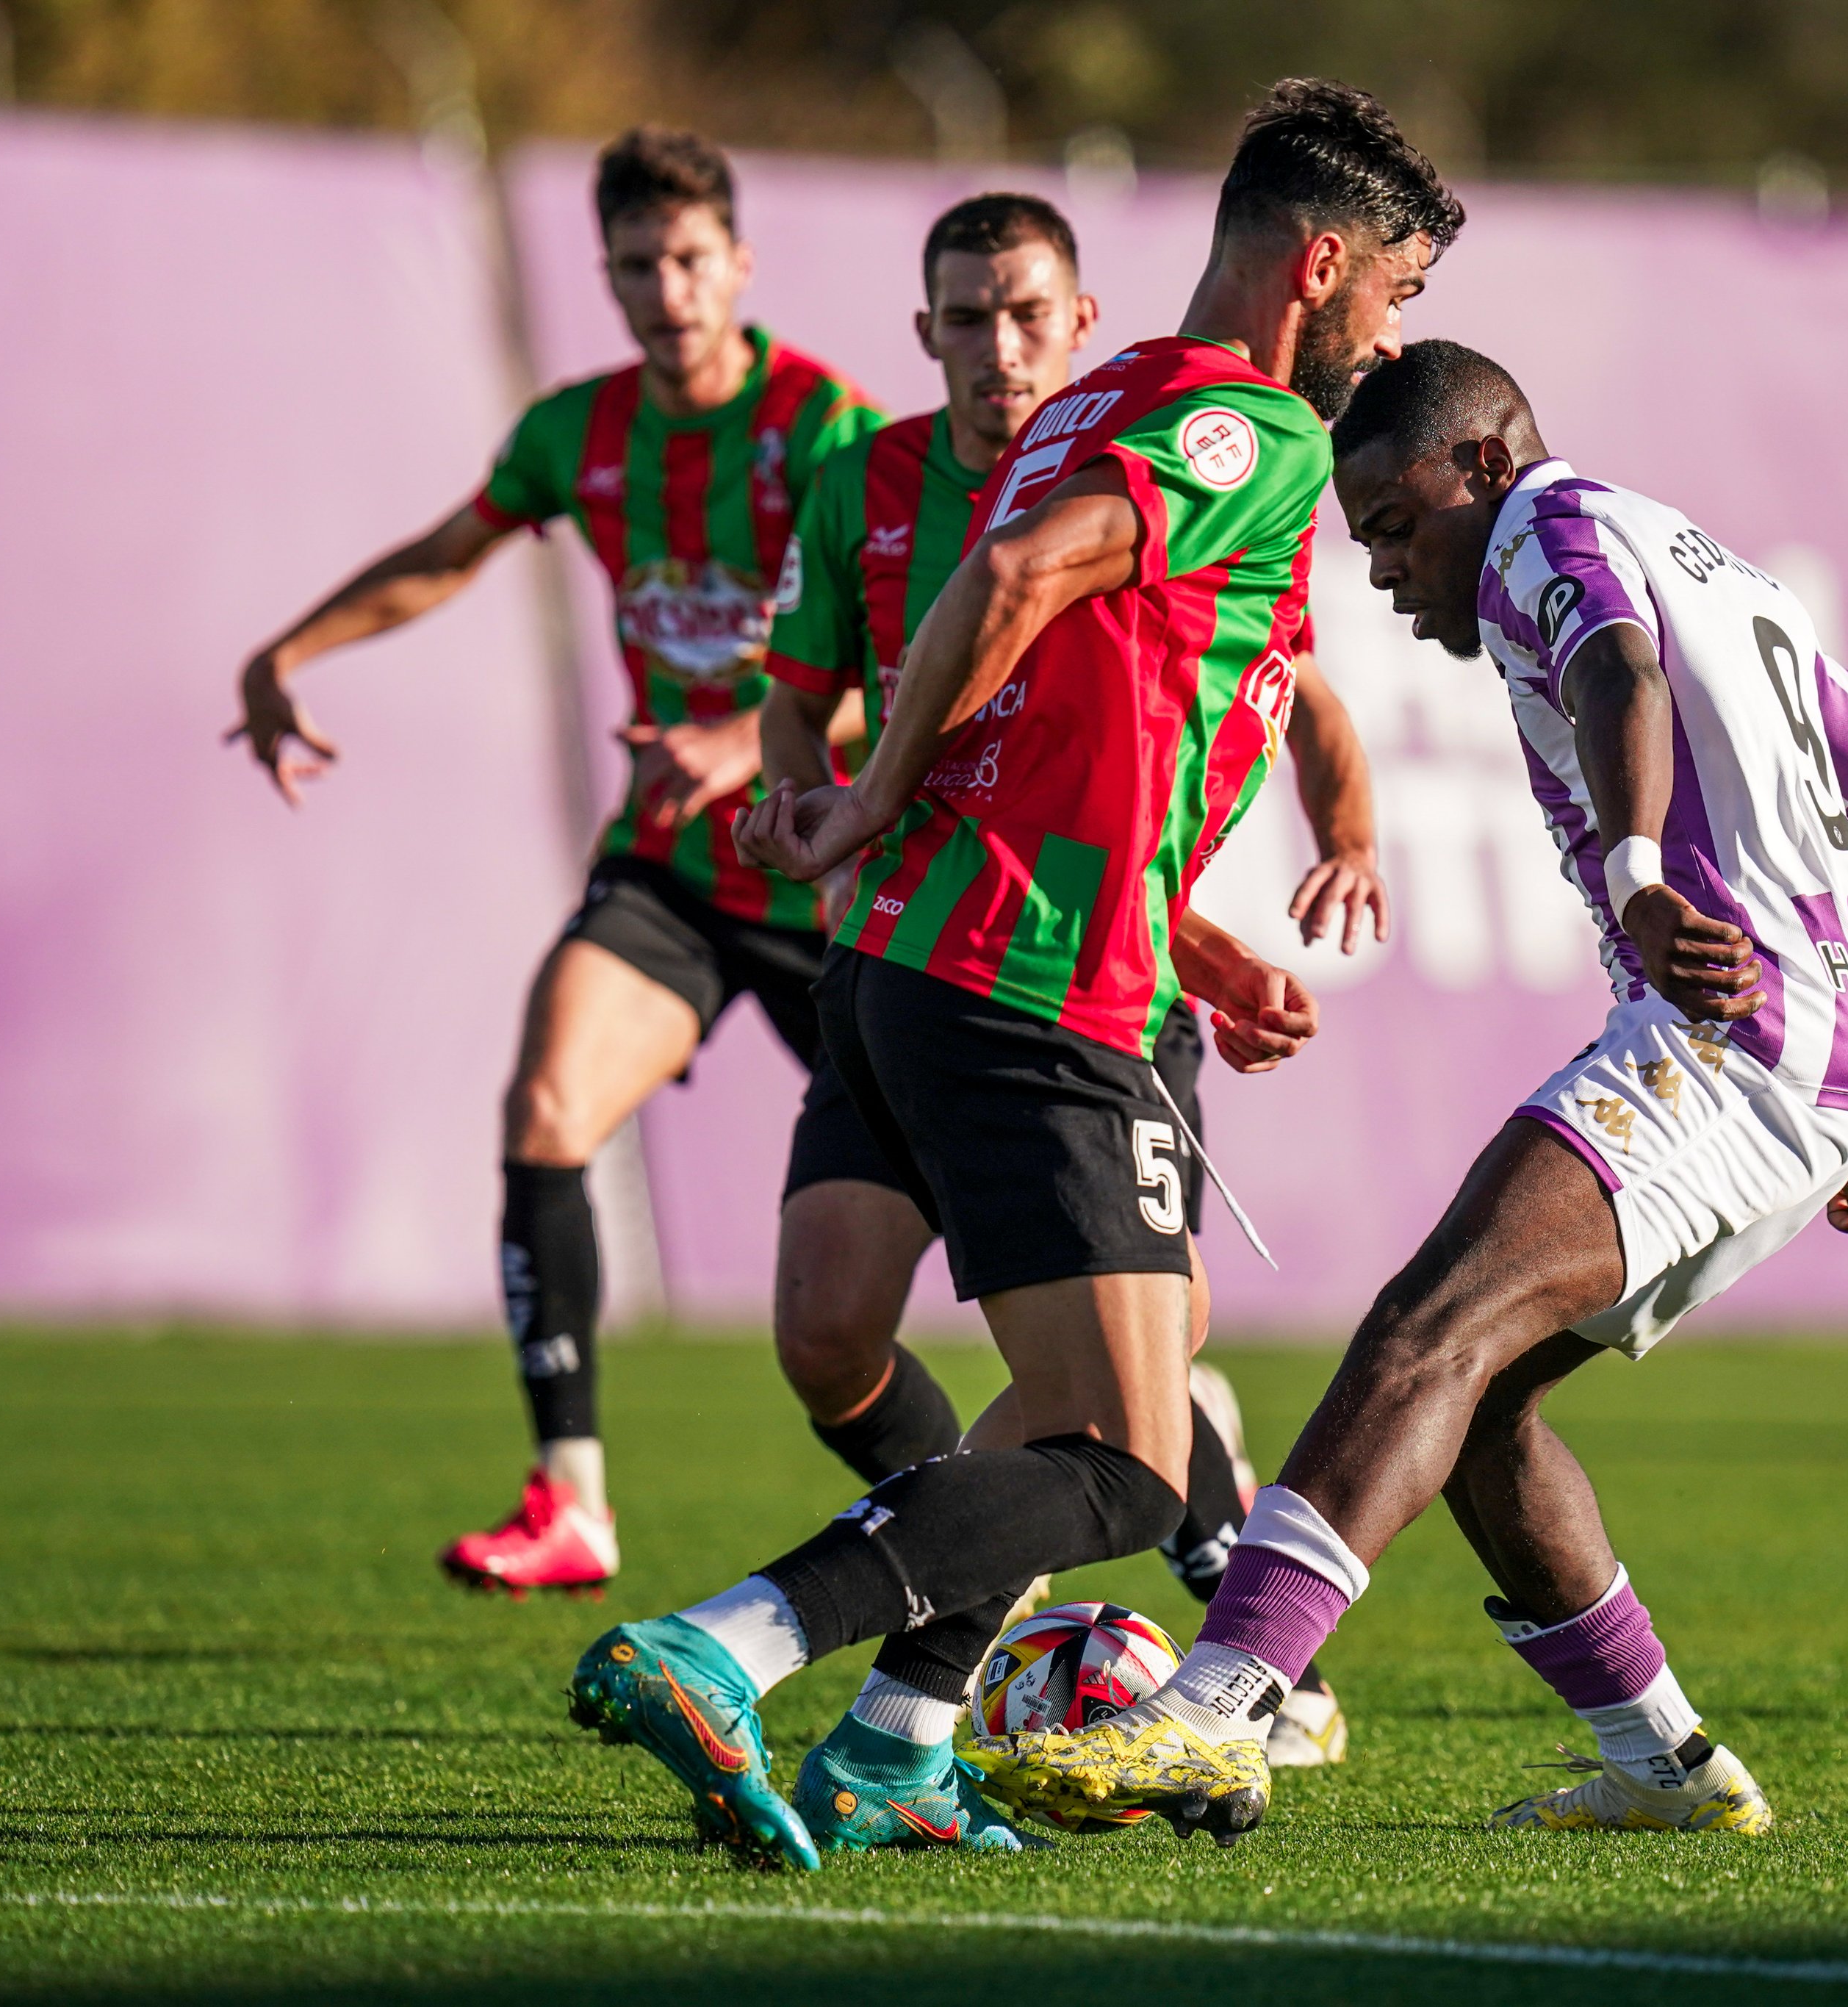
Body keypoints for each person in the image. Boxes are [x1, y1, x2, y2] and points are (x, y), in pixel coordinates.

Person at [562, 80, 1461, 1867]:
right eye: (1397, 291)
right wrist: (870, 793)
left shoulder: (1108, 392)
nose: (1394, 330)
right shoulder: (1250, 429)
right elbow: (1022, 574)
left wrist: (880, 817)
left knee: (1064, 1406)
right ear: (1324, 263)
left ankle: (896, 1738)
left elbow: (1059, 627)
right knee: (1132, 1459)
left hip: (930, 966)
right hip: (1030, 983)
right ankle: (722, 1647)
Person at [975, 340, 1848, 1844]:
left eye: (1388, 525)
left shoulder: (1550, 531)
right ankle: (1665, 1768)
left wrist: (1634, 876)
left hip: (1731, 1037)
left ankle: (1215, 1706)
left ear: (1479, 468)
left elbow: (1610, 665)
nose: (1379, 570)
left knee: (1422, 1327)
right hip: (1812, 1057)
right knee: (1478, 1400)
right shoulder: (1711, 566)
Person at [758, 190, 1383, 1767]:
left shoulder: (1119, 431)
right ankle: (774, 1632)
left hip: (1052, 953)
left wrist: (1227, 911)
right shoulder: (1202, 438)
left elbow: (1200, 723)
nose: (997, 347)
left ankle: (915, 1706)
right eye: (965, 319)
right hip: (983, 964)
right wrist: (854, 801)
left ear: (1079, 321)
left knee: (1120, 1403)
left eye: (1023, 311)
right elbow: (965, 639)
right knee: (1024, 1401)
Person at [226, 127, 881, 1594]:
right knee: (542, 1104)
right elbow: (447, 554)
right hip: (670, 873)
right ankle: (572, 1497)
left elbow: (911, 657)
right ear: (606, 276)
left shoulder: (826, 430)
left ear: (740, 265)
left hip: (831, 872)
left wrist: (745, 733)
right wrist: (292, 648)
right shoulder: (576, 434)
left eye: (690, 261)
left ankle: (1178, 1470)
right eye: (638, 267)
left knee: (986, 1227)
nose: (666, 291)